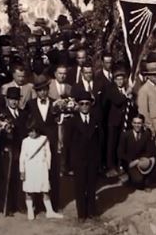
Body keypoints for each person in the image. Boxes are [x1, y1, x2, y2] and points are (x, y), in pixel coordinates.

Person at [65, 90, 101, 220]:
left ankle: (92, 211)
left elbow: (100, 141)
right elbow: (67, 143)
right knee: (79, 187)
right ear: (78, 105)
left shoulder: (96, 120)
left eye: (87, 103)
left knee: (91, 186)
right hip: (78, 159)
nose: (85, 106)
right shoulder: (72, 121)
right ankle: (81, 214)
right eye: (82, 104)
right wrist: (67, 163)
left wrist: (99, 160)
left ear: (91, 104)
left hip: (92, 158)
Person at [19, 123, 63, 220]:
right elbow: (22, 156)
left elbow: (48, 154)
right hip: (29, 168)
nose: (31, 134)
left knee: (45, 190)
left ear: (37, 131)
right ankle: (30, 211)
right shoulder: (25, 141)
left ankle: (50, 211)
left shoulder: (44, 139)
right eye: (29, 132)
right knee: (29, 190)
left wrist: (47, 167)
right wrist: (22, 170)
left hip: (41, 168)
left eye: (33, 131)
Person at [0, 87, 27, 217]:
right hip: (9, 150)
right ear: (7, 99)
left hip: (21, 150)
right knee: (8, 178)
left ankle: (20, 204)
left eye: (16, 99)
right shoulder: (2, 114)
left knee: (20, 178)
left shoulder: (23, 113)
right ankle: (8, 206)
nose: (14, 102)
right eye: (11, 99)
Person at [118, 114, 156, 190]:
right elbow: (120, 153)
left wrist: (140, 161)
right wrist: (130, 162)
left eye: (139, 123)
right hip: (129, 162)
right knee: (138, 180)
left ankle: (145, 182)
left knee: (153, 163)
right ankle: (130, 177)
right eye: (135, 123)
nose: (137, 125)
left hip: (141, 162)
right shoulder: (125, 135)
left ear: (143, 124)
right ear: (132, 123)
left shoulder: (146, 135)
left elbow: (150, 151)